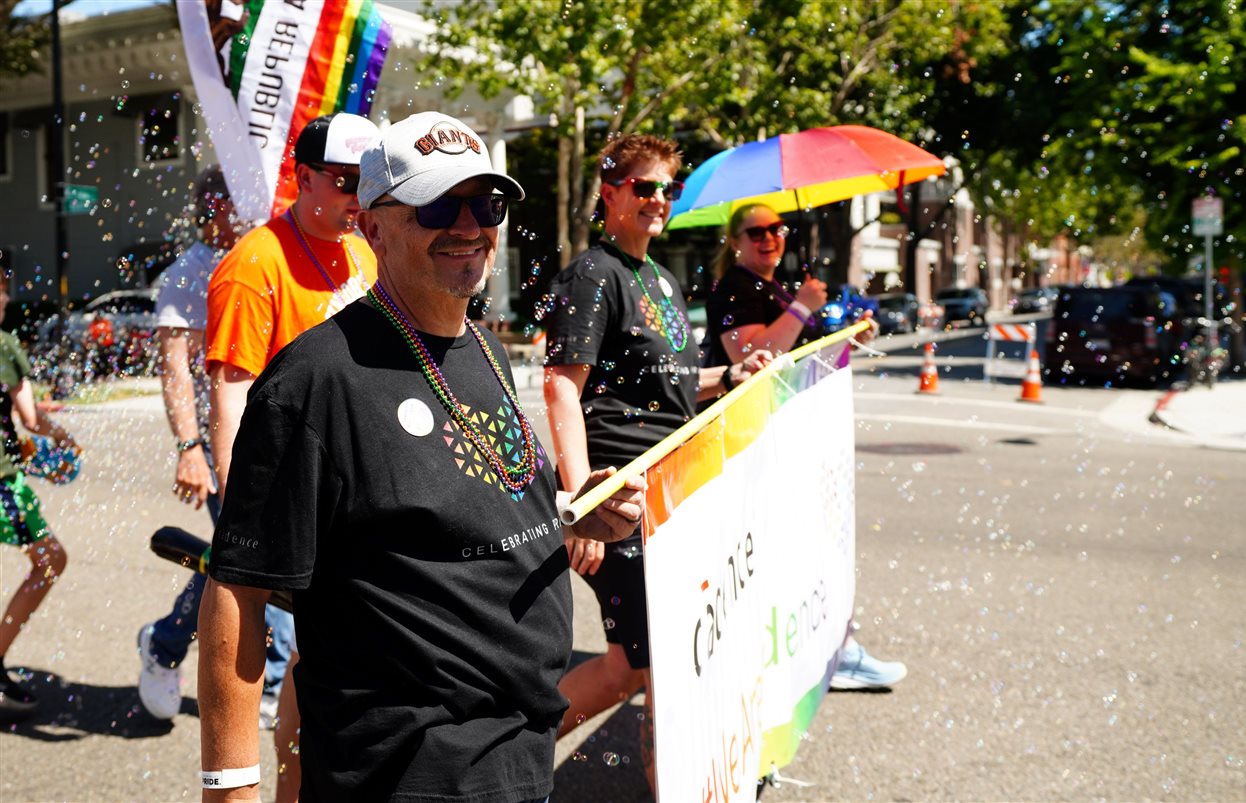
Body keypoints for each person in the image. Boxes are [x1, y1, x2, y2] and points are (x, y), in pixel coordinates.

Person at [197, 110, 645, 802]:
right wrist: (230, 790)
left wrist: (579, 512)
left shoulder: (486, 349)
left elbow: (465, 502)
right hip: (409, 771)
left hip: (520, 751)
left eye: (485, 203)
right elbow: (238, 589)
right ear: (373, 225)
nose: (468, 225)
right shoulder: (314, 380)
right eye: (438, 203)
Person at [543, 134, 771, 789]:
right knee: (641, 663)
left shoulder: (662, 280)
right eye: (645, 187)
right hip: (619, 494)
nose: (659, 200)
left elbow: (669, 377)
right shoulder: (593, 275)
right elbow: (563, 384)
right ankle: (504, 753)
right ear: (610, 194)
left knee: (651, 660)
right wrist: (579, 501)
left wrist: (730, 375)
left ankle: (664, 778)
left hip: (673, 492)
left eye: (667, 188)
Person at [203, 111, 381, 801]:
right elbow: (230, 396)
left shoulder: (364, 248)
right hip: (293, 504)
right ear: (302, 176)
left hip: (362, 496)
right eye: (342, 182)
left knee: (329, 668)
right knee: (301, 675)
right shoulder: (254, 265)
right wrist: (236, 521)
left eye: (367, 182)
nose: (357, 197)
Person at [704, 202, 906, 691]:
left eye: (777, 228)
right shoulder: (736, 286)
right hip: (758, 438)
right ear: (735, 240)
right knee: (796, 547)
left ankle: (829, 647)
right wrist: (801, 308)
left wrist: (847, 330)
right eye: (756, 231)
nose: (769, 237)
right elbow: (750, 358)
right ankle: (833, 652)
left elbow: (798, 353)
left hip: (790, 433)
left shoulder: (769, 285)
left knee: (810, 546)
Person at [135, 166, 295, 725]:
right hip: (226, 440)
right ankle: (273, 683)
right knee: (264, 559)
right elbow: (176, 368)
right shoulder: (189, 273)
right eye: (238, 200)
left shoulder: (276, 252)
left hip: (287, 438)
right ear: (213, 208)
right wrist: (189, 447)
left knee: (241, 561)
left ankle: (165, 639)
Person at [0, 281, 76, 721]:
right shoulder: (5, 345)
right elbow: (30, 418)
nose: (6, 298)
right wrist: (62, 436)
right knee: (50, 561)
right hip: (3, 486)